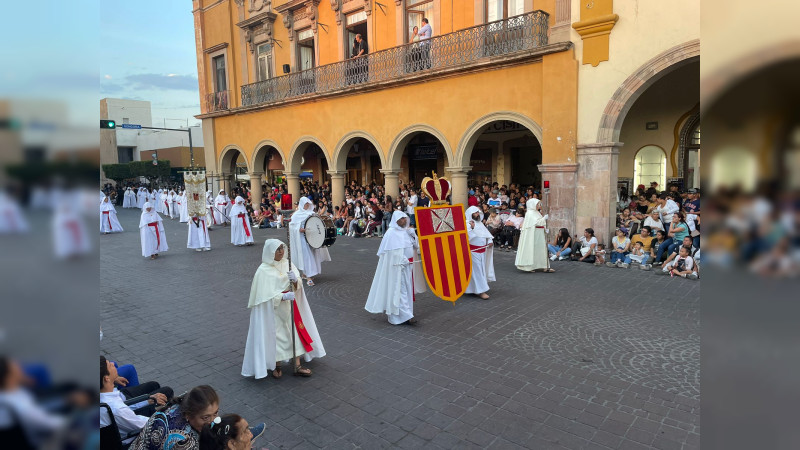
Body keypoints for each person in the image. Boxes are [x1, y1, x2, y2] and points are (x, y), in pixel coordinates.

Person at [241, 239, 325, 380]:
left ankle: (297, 364)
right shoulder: (263, 271)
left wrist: (295, 280)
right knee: (277, 336)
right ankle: (277, 364)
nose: (281, 251)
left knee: (295, 333)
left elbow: (298, 285)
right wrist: (282, 297)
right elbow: (262, 297)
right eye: (277, 249)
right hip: (274, 310)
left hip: (291, 307)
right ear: (270, 252)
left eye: (282, 248)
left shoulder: (289, 263)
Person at [365, 211, 426, 325]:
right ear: (396, 220)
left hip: (409, 267)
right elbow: (390, 252)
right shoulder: (391, 233)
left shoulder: (406, 231)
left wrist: (413, 234)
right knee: (399, 290)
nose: (404, 220)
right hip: (398, 267)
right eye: (402, 219)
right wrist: (402, 259)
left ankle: (406, 314)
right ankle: (406, 316)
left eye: (405, 218)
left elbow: (416, 247)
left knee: (407, 290)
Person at [100, 356, 173, 444]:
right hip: (134, 436)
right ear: (106, 378)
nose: (113, 363)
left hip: (125, 407)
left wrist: (147, 401)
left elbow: (124, 406)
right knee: (167, 392)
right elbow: (145, 425)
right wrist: (164, 415)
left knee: (154, 385)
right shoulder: (117, 409)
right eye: (109, 365)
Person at [130, 385, 219, 450]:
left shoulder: (178, 405)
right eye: (205, 417)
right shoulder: (185, 442)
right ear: (188, 415)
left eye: (215, 413)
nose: (212, 421)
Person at [289, 197, 331, 286]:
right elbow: (291, 226)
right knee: (306, 256)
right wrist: (298, 229)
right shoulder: (296, 215)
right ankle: (308, 277)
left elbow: (317, 223)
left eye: (308, 204)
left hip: (312, 237)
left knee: (313, 254)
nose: (307, 205)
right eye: (305, 204)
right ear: (301, 204)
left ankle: (305, 273)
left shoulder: (312, 213)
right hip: (301, 237)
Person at [464, 206, 495, 299]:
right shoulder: (467, 223)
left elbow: (486, 234)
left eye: (478, 212)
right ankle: (480, 291)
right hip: (473, 252)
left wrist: (489, 240)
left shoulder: (480, 223)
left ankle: (473, 288)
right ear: (470, 213)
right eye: (475, 212)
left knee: (480, 270)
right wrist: (472, 228)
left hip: (482, 251)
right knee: (476, 271)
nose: (478, 214)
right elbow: (467, 237)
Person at [515, 198, 553, 273]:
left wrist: (545, 228)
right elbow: (536, 223)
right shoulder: (530, 213)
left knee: (540, 249)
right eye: (537, 204)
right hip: (533, 235)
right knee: (531, 249)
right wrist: (544, 219)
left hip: (539, 234)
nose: (539, 206)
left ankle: (543, 266)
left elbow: (540, 222)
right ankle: (529, 267)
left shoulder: (537, 213)